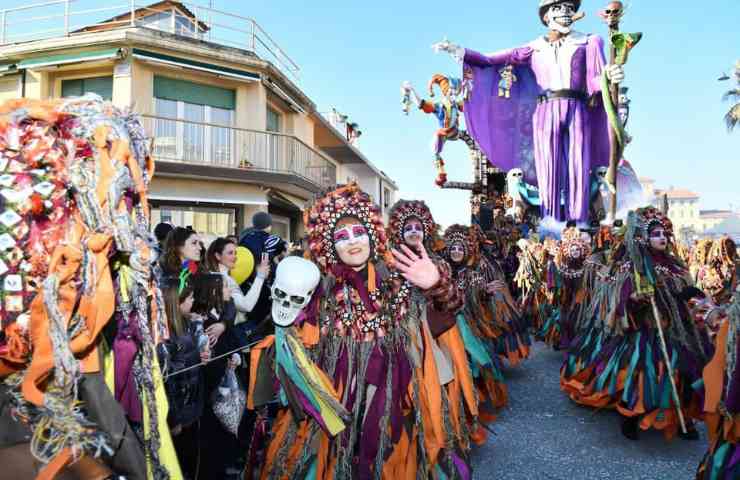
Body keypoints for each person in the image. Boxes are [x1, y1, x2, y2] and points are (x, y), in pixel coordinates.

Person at [255, 183, 465, 479]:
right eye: (341, 236)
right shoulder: (319, 291)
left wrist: (435, 285)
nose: (352, 242)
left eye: (358, 232)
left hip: (391, 401)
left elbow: (446, 317)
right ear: (328, 244)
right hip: (332, 408)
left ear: (371, 233)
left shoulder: (399, 281)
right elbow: (291, 349)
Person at [433, 0, 623, 222]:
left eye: (569, 8)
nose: (565, 12)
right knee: (548, 167)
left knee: (578, 164)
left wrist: (609, 77)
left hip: (577, 106)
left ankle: (579, 223)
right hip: (545, 109)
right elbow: (489, 60)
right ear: (546, 17)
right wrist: (460, 51)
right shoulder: (533, 48)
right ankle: (551, 222)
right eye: (558, 8)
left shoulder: (589, 42)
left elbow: (595, 79)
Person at [561, 207, 709, 440]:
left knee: (682, 370)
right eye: (656, 234)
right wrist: (634, 300)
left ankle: (682, 419)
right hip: (645, 330)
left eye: (664, 234)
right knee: (640, 372)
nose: (662, 238)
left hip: (673, 331)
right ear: (644, 238)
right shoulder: (635, 267)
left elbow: (682, 297)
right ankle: (629, 415)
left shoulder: (675, 265)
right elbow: (619, 301)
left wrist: (691, 297)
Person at [160, 280, 210, 480]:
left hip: (191, 409)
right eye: (189, 298)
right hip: (179, 414)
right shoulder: (166, 336)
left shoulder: (186, 323)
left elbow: (189, 360)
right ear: (175, 302)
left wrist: (200, 356)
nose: (193, 301)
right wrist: (173, 419)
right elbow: (168, 380)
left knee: (190, 462)